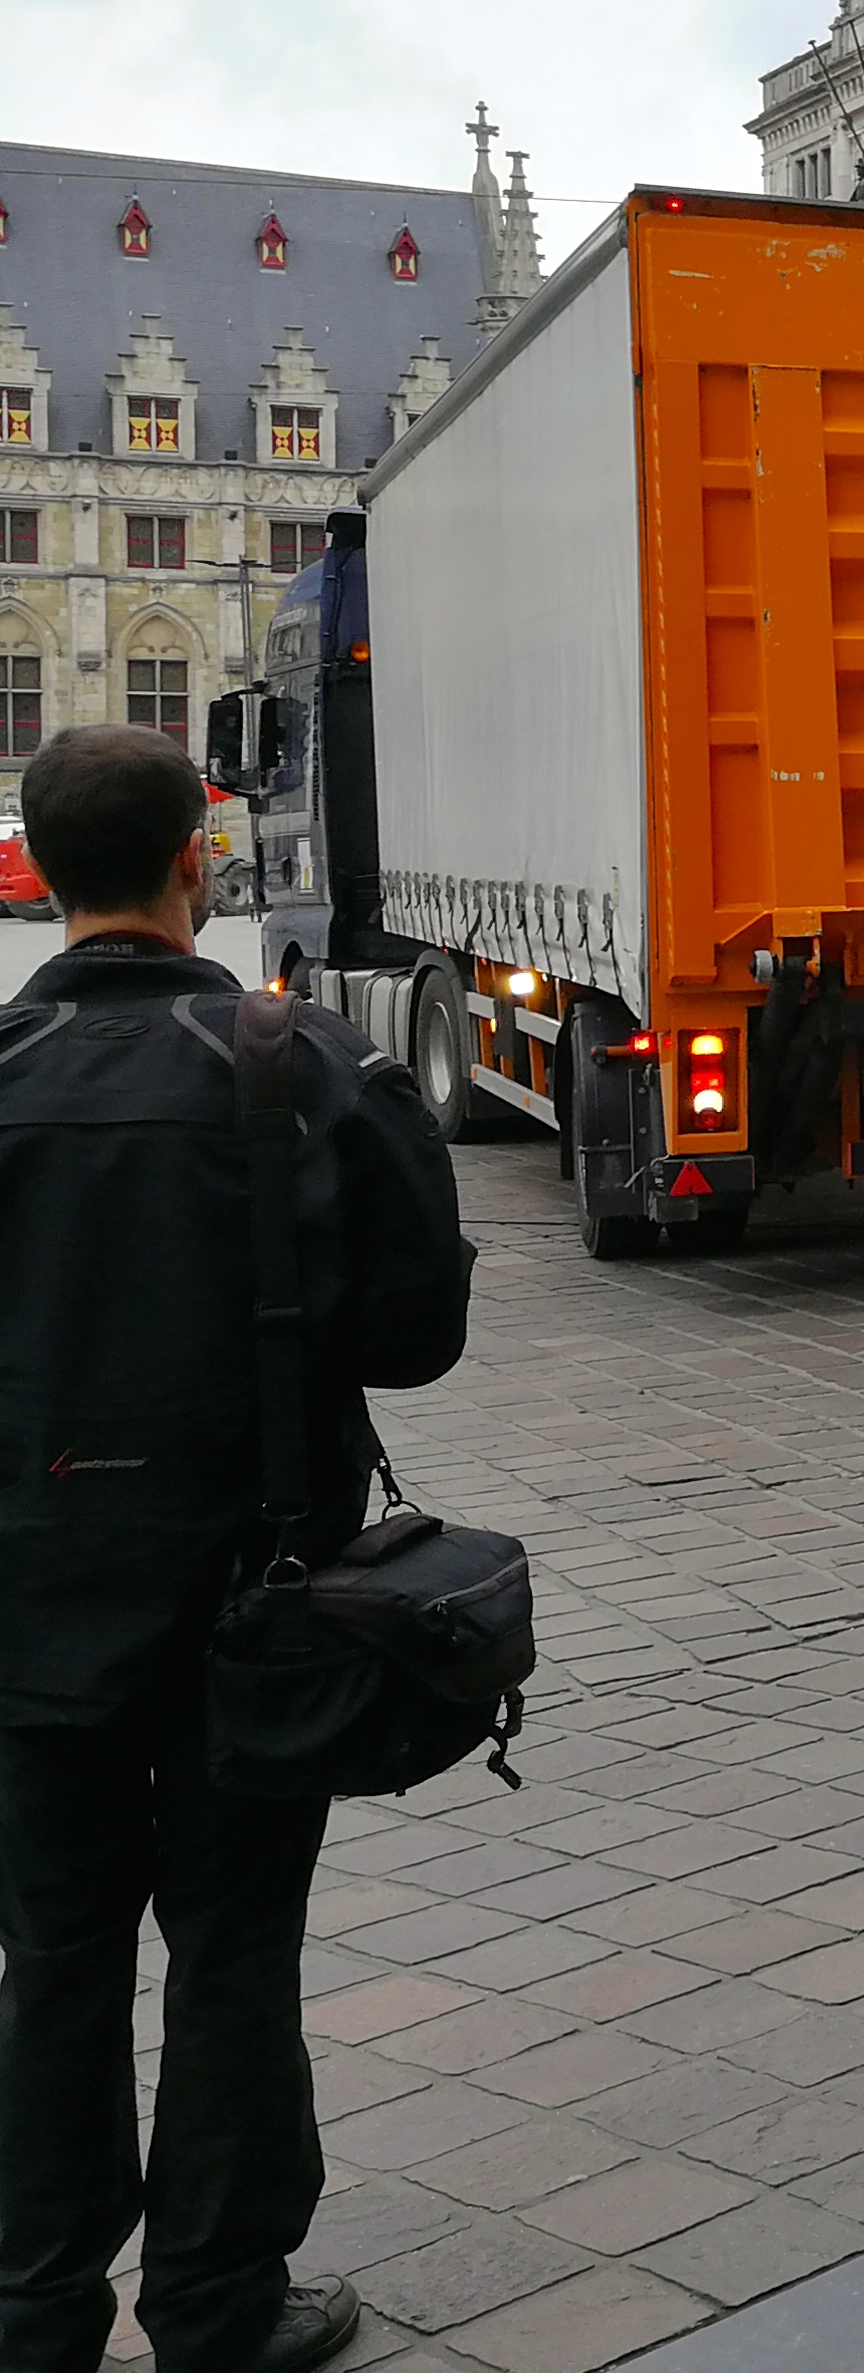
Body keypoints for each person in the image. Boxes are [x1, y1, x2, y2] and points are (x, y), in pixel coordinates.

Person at [0, 726, 474, 2373]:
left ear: (46, 876)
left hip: (27, 1615)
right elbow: (418, 1337)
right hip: (249, 1607)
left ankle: (33, 2308)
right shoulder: (303, 1065)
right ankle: (216, 2302)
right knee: (234, 1948)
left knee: (51, 1954)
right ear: (199, 859)